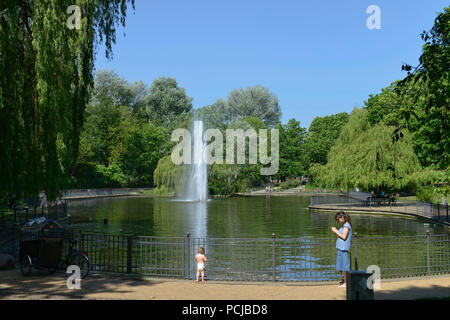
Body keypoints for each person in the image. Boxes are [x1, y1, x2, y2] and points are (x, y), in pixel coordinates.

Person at [331, 211, 352, 288]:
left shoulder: (346, 225)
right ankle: (345, 281)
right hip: (340, 248)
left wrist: (335, 231)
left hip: (343, 249)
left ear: (343, 217)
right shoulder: (344, 225)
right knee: (341, 266)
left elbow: (344, 237)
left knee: (345, 266)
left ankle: (346, 283)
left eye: (338, 218)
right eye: (337, 219)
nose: (338, 220)